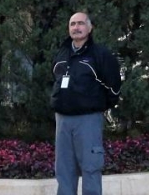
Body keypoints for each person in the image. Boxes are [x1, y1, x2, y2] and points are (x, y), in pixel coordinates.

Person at [51, 11, 122, 195]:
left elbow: (114, 87)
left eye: (80, 23)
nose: (76, 27)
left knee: (91, 167)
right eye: (72, 24)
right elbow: (54, 80)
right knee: (64, 170)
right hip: (63, 121)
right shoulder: (62, 53)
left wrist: (98, 105)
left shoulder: (100, 55)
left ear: (89, 28)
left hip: (88, 120)